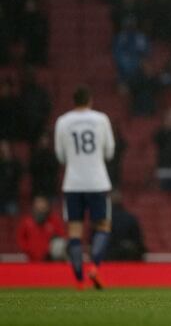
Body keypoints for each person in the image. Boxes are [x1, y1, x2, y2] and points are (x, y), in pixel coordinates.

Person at [54, 85, 115, 290]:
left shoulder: (63, 121)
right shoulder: (101, 119)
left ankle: (79, 280)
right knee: (103, 226)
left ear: (74, 101)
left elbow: (60, 155)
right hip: (97, 181)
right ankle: (95, 268)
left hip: (73, 183)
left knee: (74, 231)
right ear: (90, 100)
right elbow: (109, 152)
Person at [16, 196, 65, 262]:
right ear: (34, 207)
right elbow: (21, 239)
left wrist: (50, 250)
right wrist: (29, 250)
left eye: (43, 208)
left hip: (51, 261)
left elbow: (61, 238)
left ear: (47, 207)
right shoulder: (27, 222)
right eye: (38, 208)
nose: (40, 210)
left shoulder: (54, 221)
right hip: (32, 261)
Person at [106, 191, 146, 261]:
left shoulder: (103, 220)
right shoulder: (130, 218)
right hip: (127, 257)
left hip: (108, 258)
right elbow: (138, 240)